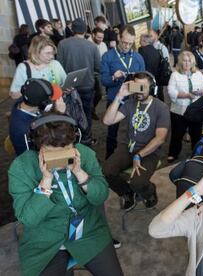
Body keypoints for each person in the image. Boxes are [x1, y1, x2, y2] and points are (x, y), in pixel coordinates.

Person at [8, 113, 123, 276]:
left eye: (66, 150)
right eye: (51, 152)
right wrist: (45, 182)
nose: (60, 158)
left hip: (88, 231)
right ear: (37, 147)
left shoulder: (85, 154)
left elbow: (101, 196)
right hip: (44, 239)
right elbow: (28, 219)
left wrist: (80, 173)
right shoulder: (21, 167)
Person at [103, 72, 170, 210]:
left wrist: (139, 155)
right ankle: (127, 193)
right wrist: (119, 96)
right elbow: (107, 120)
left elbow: (160, 138)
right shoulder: (129, 104)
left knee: (137, 183)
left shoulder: (161, 107)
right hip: (128, 148)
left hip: (149, 152)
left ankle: (150, 190)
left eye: (143, 87)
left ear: (151, 88)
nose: (139, 90)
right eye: (136, 86)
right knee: (107, 171)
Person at [101, 25, 146, 158]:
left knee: (135, 130)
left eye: (130, 43)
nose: (127, 46)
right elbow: (104, 81)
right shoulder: (108, 56)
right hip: (115, 99)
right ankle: (109, 157)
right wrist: (114, 77)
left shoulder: (138, 57)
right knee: (112, 131)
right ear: (119, 38)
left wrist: (138, 85)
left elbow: (145, 82)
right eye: (124, 42)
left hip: (134, 100)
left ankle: (133, 157)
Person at [57, 18, 101, 146]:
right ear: (86, 30)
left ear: (72, 29)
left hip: (69, 87)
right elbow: (98, 67)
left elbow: (59, 65)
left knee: (69, 114)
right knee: (86, 114)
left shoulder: (62, 44)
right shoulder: (92, 46)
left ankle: (72, 140)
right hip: (87, 85)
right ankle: (86, 139)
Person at [167, 51, 203, 162]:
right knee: (177, 134)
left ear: (192, 62)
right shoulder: (175, 75)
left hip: (196, 111)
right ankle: (173, 153)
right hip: (179, 111)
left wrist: (201, 92)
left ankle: (196, 154)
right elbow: (171, 92)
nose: (186, 63)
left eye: (189, 61)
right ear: (180, 62)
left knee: (196, 134)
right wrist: (187, 95)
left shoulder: (198, 74)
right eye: (184, 61)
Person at [9, 79, 65, 156]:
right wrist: (60, 115)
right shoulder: (23, 131)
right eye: (53, 100)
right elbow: (29, 158)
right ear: (45, 106)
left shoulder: (26, 99)